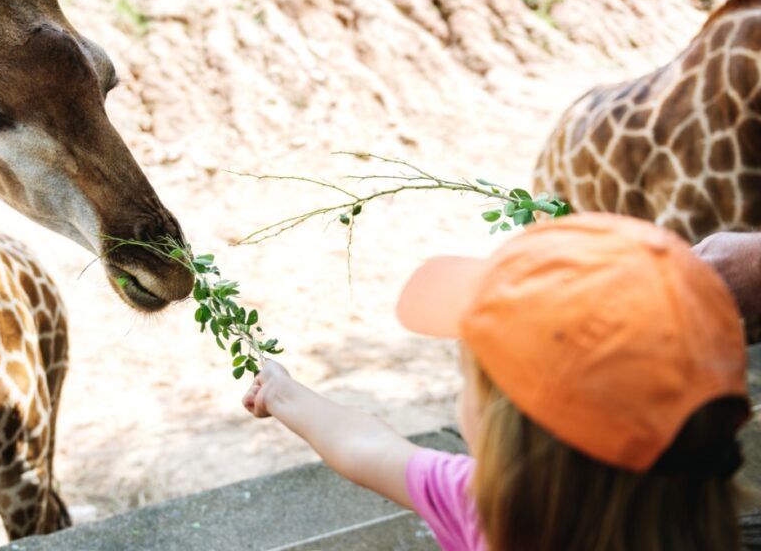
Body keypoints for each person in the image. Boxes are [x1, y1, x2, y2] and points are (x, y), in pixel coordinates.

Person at [243, 213, 750, 551]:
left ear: (511, 429)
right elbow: (364, 444)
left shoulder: (490, 514)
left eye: (467, 380)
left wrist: (282, 394)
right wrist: (284, 393)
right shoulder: (696, 511)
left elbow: (366, 446)